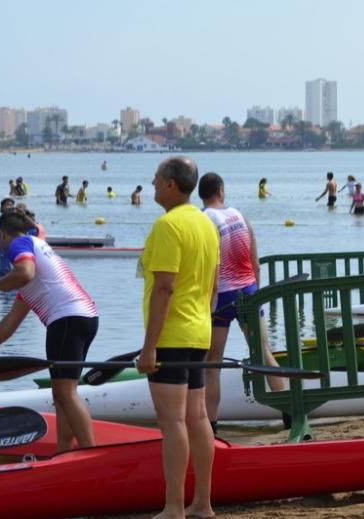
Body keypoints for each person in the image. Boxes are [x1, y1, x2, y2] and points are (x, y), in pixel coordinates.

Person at [0, 209, 99, 451]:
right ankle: (64, 450)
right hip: (84, 317)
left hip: (67, 319)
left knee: (66, 392)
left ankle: (91, 453)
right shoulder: (37, 249)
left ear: (3, 235)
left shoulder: (19, 243)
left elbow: (24, 273)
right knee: (62, 394)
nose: (0, 244)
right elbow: (11, 321)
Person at [137, 156, 219, 519]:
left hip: (171, 335)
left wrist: (149, 347)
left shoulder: (168, 226)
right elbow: (214, 287)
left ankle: (174, 507)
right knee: (198, 418)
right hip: (199, 330)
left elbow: (164, 289)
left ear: (171, 184)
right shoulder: (205, 223)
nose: (152, 183)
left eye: (156, 178)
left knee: (172, 422)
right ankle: (202, 502)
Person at [197, 172, 286, 432]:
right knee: (264, 354)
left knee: (213, 363)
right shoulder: (241, 217)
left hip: (221, 296)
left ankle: (211, 426)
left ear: (201, 196)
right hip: (248, 291)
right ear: (221, 191)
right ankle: (289, 412)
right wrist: (256, 296)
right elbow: (256, 264)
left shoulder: (203, 220)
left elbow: (208, 266)